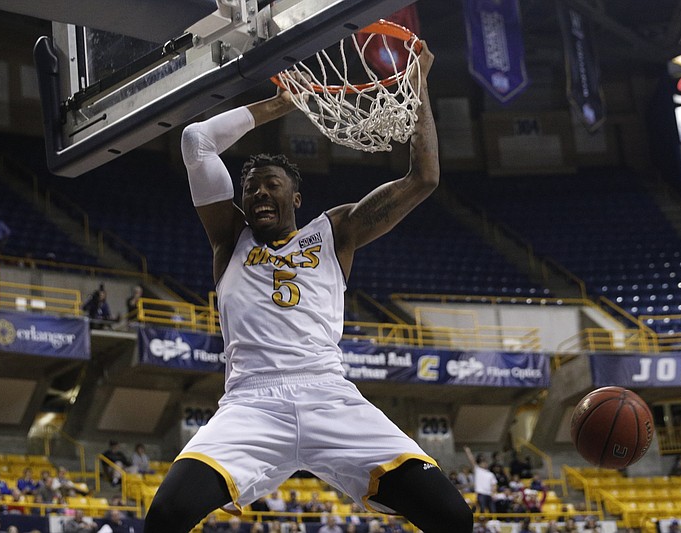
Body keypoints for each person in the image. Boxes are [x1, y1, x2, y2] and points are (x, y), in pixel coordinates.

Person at [143, 42, 470, 533]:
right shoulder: (228, 239)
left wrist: (418, 82)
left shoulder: (334, 231)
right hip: (250, 405)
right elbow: (196, 142)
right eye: (250, 187)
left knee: (452, 517)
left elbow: (424, 177)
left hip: (329, 397)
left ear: (295, 195)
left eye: (270, 184)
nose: (257, 193)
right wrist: (276, 105)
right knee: (166, 515)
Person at [464, 446, 497, 514]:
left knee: (492, 510)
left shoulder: (490, 474)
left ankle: (492, 522)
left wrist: (493, 493)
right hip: (481, 493)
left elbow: (494, 484)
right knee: (482, 509)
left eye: (485, 462)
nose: (484, 464)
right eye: (482, 462)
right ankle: (483, 521)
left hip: (489, 494)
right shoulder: (478, 470)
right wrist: (468, 452)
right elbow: (471, 460)